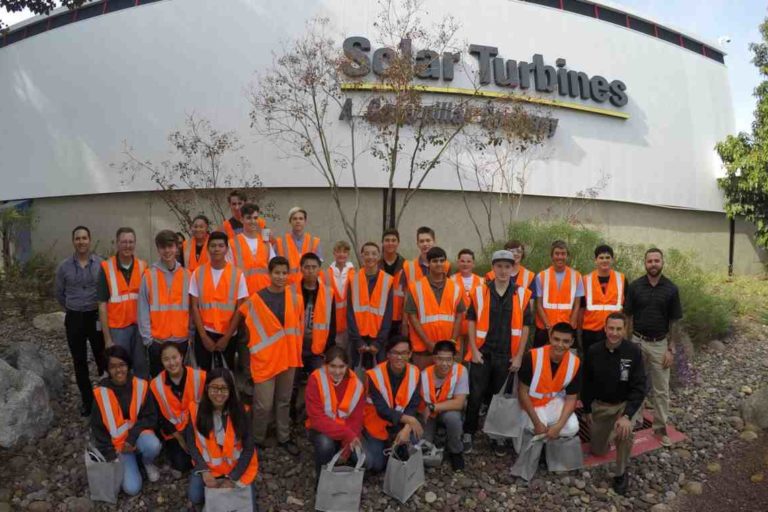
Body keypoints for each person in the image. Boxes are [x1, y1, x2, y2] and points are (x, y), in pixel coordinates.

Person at [218, 256, 303, 455]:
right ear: (269, 273)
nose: (281, 277)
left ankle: (284, 437)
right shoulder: (255, 300)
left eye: (284, 273)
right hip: (265, 359)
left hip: (289, 357)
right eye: (277, 273)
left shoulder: (295, 298)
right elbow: (241, 316)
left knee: (283, 401)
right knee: (263, 404)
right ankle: (256, 439)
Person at [463, 250, 533, 454]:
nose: (503, 270)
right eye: (499, 266)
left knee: (500, 398)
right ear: (492, 268)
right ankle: (469, 432)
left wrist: (519, 355)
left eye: (507, 266)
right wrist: (474, 350)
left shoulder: (522, 294)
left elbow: (526, 327)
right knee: (475, 395)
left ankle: (497, 436)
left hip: (507, 355)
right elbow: (471, 321)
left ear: (513, 269)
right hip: (483, 353)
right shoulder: (479, 292)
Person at [582, 312, 646, 495]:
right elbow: (586, 382)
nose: (614, 333)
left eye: (619, 329)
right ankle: (608, 433)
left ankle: (621, 472)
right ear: (605, 328)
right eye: (611, 328)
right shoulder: (594, 351)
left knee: (624, 432)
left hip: (622, 406)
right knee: (598, 451)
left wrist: (627, 415)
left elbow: (640, 386)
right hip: (601, 406)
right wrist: (587, 409)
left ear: (625, 330)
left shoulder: (633, 351)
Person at [624, 248, 683, 447]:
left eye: (657, 260)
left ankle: (660, 428)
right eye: (650, 261)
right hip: (637, 341)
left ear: (662, 262)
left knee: (661, 389)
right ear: (645, 263)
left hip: (660, 344)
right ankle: (635, 419)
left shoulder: (671, 289)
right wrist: (628, 343)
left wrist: (671, 348)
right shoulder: (634, 287)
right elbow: (628, 316)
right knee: (635, 383)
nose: (653, 264)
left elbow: (674, 321)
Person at [91, 345, 161, 495]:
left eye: (122, 365)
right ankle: (131, 461)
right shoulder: (100, 394)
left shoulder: (141, 385)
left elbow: (151, 417)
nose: (118, 370)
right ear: (107, 369)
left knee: (154, 445)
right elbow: (98, 429)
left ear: (128, 365)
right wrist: (110, 455)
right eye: (113, 366)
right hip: (119, 448)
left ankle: (147, 462)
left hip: (138, 438)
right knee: (132, 489)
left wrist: (132, 438)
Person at [186, 368, 259, 509]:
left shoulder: (242, 411)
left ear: (231, 390)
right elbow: (192, 445)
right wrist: (204, 471)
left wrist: (232, 478)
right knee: (194, 497)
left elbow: (249, 449)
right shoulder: (195, 411)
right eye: (214, 388)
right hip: (209, 468)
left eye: (224, 388)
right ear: (207, 388)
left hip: (236, 468)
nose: (219, 394)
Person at [55, 225, 106, 416]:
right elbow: (59, 293)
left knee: (102, 358)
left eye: (84, 238)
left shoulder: (101, 264)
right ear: (73, 241)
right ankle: (87, 402)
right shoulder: (64, 267)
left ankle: (104, 399)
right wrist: (71, 307)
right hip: (74, 317)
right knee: (79, 361)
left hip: (95, 316)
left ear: (90, 240)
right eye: (78, 238)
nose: (81, 241)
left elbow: (106, 290)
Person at [517, 323, 581, 458]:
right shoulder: (532, 357)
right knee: (537, 428)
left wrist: (559, 426)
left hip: (552, 402)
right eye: (556, 339)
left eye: (565, 341)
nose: (560, 345)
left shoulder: (574, 363)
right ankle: (529, 436)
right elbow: (522, 392)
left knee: (572, 427)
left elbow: (571, 398)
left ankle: (546, 440)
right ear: (550, 338)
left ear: (572, 342)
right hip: (531, 405)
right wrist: (537, 423)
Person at [190, 231, 249, 371]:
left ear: (227, 249)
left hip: (228, 334)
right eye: (213, 245)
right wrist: (203, 336)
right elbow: (194, 306)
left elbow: (240, 309)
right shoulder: (198, 273)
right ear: (208, 248)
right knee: (203, 375)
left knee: (226, 376)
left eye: (221, 246)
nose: (217, 249)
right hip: (204, 332)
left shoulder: (238, 274)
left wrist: (227, 337)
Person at [363, 336, 422, 473]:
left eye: (404, 353)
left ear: (410, 354)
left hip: (400, 421)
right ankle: (363, 438)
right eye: (395, 353)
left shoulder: (415, 372)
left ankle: (394, 442)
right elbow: (381, 409)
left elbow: (413, 405)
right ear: (388, 354)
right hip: (376, 422)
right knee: (377, 465)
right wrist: (409, 420)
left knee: (414, 442)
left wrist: (407, 428)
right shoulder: (374, 375)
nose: (399, 357)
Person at [138, 230, 192, 377]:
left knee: (180, 379)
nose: (167, 251)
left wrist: (190, 336)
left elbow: (193, 309)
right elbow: (142, 309)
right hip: (157, 341)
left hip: (181, 339)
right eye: (163, 247)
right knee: (158, 381)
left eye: (171, 246)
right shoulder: (149, 275)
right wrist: (148, 340)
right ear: (158, 249)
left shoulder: (187, 275)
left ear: (177, 248)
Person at [305, 346, 365, 477]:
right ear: (325, 365)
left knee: (367, 460)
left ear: (347, 366)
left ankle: (340, 467)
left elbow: (356, 419)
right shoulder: (315, 380)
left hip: (346, 431)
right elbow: (317, 420)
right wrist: (348, 435)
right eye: (332, 366)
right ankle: (322, 481)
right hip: (321, 429)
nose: (337, 371)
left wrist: (346, 450)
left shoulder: (356, 385)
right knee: (325, 445)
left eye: (341, 367)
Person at [98, 227, 149, 379]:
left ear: (135, 243)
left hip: (139, 328)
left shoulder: (143, 266)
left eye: (131, 242)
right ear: (117, 244)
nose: (127, 245)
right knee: (119, 368)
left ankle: (142, 399)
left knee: (141, 367)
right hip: (118, 329)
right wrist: (107, 338)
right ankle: (121, 400)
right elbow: (102, 304)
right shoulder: (106, 267)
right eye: (124, 242)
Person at [149, 342, 206, 473]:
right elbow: (160, 418)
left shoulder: (200, 377)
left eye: (174, 357)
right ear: (161, 362)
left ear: (181, 356)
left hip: (197, 426)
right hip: (174, 432)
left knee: (204, 454)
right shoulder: (155, 385)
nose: (172, 363)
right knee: (182, 464)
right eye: (166, 359)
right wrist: (180, 439)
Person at [405, 247, 464, 370]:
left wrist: (453, 340)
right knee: (423, 385)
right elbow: (412, 317)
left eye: (442, 261)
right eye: (435, 261)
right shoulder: (416, 287)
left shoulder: (456, 287)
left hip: (448, 350)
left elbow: (459, 316)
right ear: (428, 263)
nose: (439, 264)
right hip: (423, 351)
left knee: (447, 385)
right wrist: (427, 343)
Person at [419, 340, 468, 471]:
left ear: (454, 359)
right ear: (434, 358)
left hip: (448, 411)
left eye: (448, 360)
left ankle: (456, 452)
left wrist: (433, 407)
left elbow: (459, 403)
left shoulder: (460, 371)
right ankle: (434, 439)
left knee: (453, 419)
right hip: (428, 415)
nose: (445, 364)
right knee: (423, 445)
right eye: (440, 359)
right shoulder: (424, 375)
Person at [347, 242, 394, 369]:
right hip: (358, 340)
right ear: (361, 256)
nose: (370, 257)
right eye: (366, 253)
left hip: (378, 341)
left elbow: (388, 315)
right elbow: (350, 313)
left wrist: (378, 343)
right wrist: (357, 341)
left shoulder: (388, 280)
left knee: (379, 377)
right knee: (356, 377)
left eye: (374, 253)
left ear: (379, 256)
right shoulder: (353, 279)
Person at [534, 240, 584, 348]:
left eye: (563, 254)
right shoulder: (541, 276)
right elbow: (538, 304)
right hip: (545, 328)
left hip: (567, 327)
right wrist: (548, 326)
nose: (560, 257)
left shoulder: (576, 276)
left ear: (567, 255)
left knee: (568, 360)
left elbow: (577, 305)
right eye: (557, 253)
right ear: (552, 255)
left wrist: (570, 327)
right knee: (539, 360)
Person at [580, 244, 626, 355]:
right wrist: (579, 333)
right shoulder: (585, 280)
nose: (604, 260)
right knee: (591, 365)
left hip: (613, 332)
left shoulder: (622, 279)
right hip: (591, 332)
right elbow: (581, 309)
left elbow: (626, 310)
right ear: (595, 260)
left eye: (607, 257)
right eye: (601, 258)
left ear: (612, 260)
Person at [299, 252, 336, 371]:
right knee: (292, 384)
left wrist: (327, 348)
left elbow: (332, 324)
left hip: (318, 349)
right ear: (301, 269)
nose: (310, 270)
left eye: (314, 267)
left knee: (320, 380)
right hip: (296, 349)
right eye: (307, 267)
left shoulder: (328, 293)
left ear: (319, 269)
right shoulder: (291, 292)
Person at [228, 203, 275, 295]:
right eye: (249, 218)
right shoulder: (232, 243)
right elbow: (229, 273)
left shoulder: (265, 242)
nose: (253, 221)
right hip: (243, 294)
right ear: (242, 220)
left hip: (265, 295)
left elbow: (274, 268)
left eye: (255, 218)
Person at [275, 206, 322, 285]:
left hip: (308, 287)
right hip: (287, 287)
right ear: (290, 221)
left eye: (301, 219)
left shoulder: (315, 242)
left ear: (305, 221)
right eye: (295, 219)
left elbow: (318, 269)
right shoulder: (279, 242)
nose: (298, 221)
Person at [450, 248, 482, 361]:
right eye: (462, 261)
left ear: (473, 264)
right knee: (456, 357)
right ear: (458, 262)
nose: (465, 264)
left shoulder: (482, 282)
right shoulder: (450, 281)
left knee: (471, 358)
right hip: (456, 327)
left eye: (468, 261)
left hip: (474, 327)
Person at [327, 240, 354, 352]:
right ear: (334, 253)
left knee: (348, 356)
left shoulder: (354, 273)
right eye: (339, 251)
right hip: (332, 322)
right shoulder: (326, 274)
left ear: (348, 254)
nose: (341, 254)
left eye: (344, 252)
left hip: (349, 322)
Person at [379, 228, 406, 339]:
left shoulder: (406, 266)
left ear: (398, 243)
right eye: (387, 240)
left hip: (398, 319)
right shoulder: (375, 265)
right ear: (382, 242)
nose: (390, 243)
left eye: (393, 240)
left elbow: (408, 294)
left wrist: (405, 321)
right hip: (379, 317)